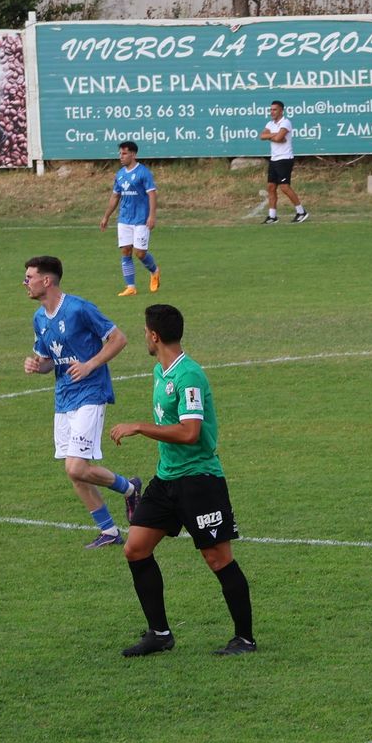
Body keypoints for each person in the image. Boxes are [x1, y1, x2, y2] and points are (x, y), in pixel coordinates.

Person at [109, 303, 256, 658]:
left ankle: (245, 639)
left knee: (218, 559)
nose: (144, 336)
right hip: (167, 479)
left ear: (154, 335)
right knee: (136, 548)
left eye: (145, 331)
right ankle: (159, 634)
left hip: (199, 481)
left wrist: (140, 427)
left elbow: (191, 433)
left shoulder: (188, 375)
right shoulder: (161, 371)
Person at [21, 255, 142, 547]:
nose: (25, 282)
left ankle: (130, 488)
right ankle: (109, 532)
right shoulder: (39, 318)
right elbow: (49, 360)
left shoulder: (79, 308)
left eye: (29, 277)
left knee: (76, 467)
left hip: (91, 392)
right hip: (63, 398)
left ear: (46, 280)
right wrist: (39, 366)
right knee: (75, 473)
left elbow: (119, 339)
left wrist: (90, 364)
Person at [99, 141, 160, 297]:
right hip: (124, 218)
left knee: (140, 253)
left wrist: (152, 216)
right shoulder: (120, 174)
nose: (121, 156)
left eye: (124, 153)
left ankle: (154, 271)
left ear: (133, 154)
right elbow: (115, 196)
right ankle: (131, 287)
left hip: (141, 218)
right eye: (120, 153)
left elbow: (152, 194)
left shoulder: (143, 173)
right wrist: (106, 216)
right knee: (126, 251)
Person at [259, 100, 308, 224]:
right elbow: (262, 136)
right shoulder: (270, 123)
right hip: (274, 159)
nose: (272, 112)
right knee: (271, 187)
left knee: (284, 187)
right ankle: (272, 216)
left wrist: (273, 136)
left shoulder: (286, 122)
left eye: (275, 109)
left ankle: (301, 212)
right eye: (271, 109)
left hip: (285, 158)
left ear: (281, 110)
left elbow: (280, 138)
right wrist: (274, 135)